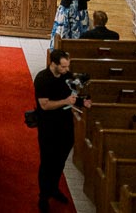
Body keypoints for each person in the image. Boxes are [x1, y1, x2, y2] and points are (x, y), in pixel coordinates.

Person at [34, 48, 91, 211]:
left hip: (65, 126)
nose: (67, 70)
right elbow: (45, 105)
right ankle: (43, 196)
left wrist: (81, 102)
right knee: (47, 162)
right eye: (64, 67)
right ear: (53, 64)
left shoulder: (66, 75)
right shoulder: (42, 79)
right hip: (48, 127)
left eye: (68, 66)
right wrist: (65, 101)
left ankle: (54, 188)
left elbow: (71, 96)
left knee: (60, 160)